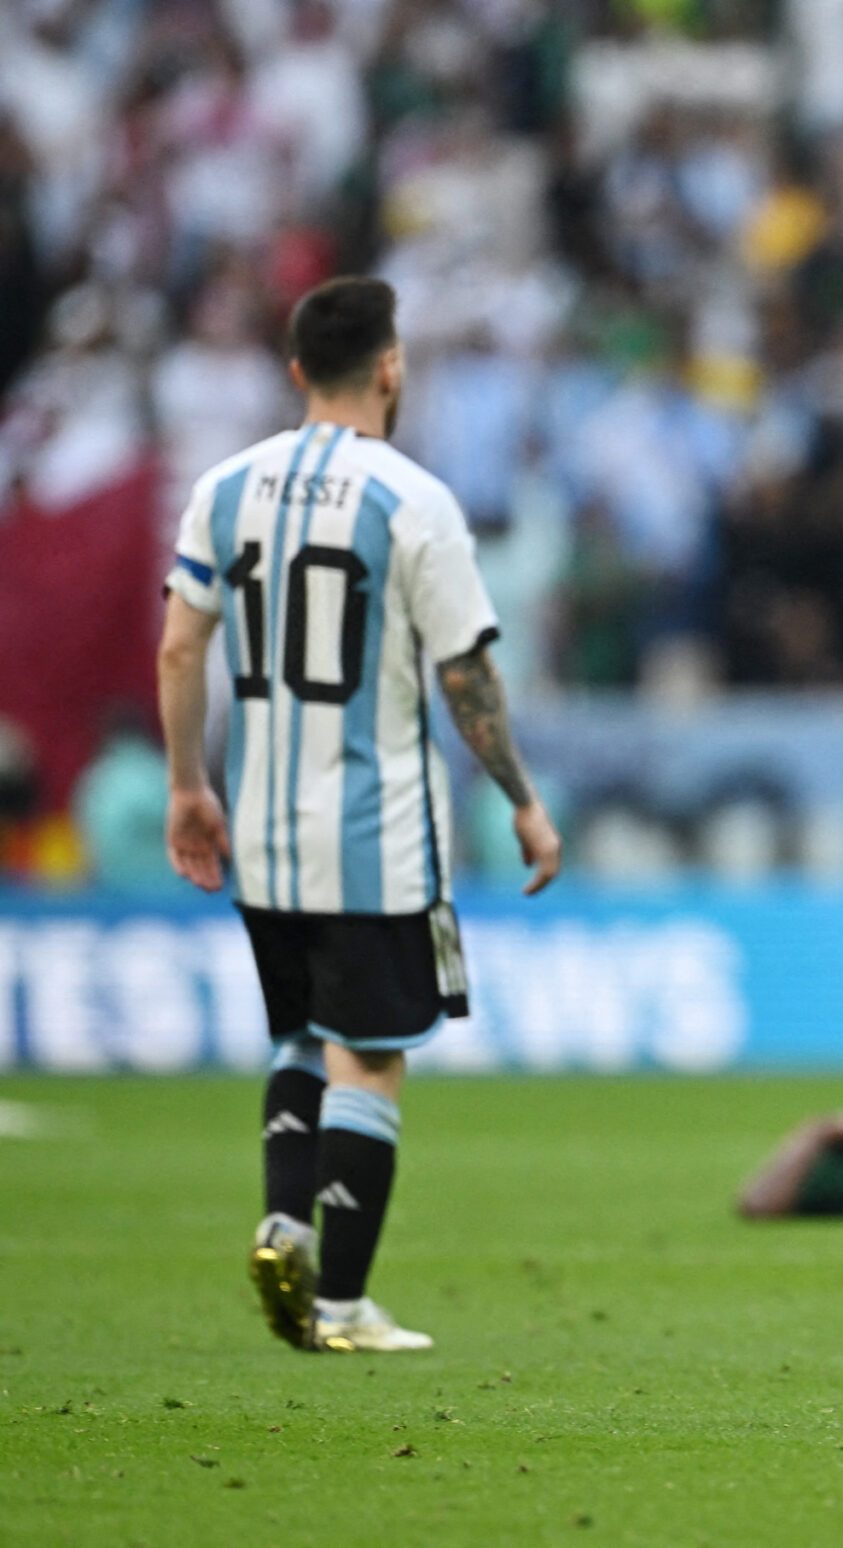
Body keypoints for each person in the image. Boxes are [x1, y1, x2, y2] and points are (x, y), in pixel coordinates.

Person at [157, 277, 563, 1354]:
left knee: (298, 1036)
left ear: (296, 372)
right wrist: (523, 801)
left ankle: (284, 1225)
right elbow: (465, 674)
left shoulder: (224, 488)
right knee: (370, 1057)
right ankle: (337, 1306)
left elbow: (178, 646)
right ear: (390, 367)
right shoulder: (412, 500)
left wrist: (187, 787)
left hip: (261, 831)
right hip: (373, 835)